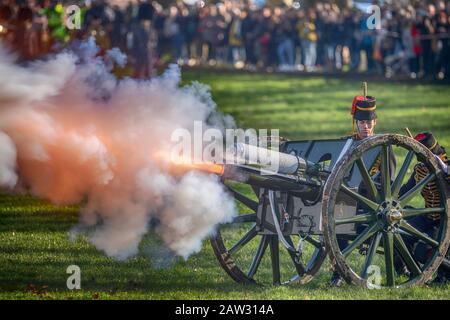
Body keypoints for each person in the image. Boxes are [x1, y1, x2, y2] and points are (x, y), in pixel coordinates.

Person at [330, 89, 396, 287]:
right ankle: (338, 274)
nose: (365, 127)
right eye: (361, 123)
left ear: (374, 122)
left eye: (368, 123)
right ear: (356, 123)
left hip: (372, 206)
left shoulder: (383, 147)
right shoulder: (349, 144)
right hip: (346, 201)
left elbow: (389, 181)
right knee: (337, 224)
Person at [398, 132, 450, 283]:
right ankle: (413, 273)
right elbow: (405, 191)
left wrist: (444, 170)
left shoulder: (446, 166)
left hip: (445, 220)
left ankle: (445, 274)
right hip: (428, 217)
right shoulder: (420, 169)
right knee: (399, 233)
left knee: (422, 251)